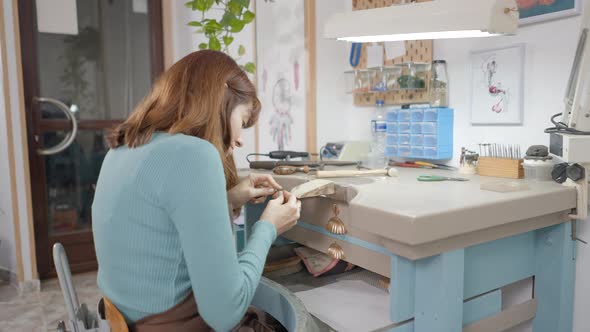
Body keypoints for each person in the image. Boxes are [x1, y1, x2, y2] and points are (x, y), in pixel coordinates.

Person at [92, 50, 301, 331]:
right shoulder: (194, 155)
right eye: (242, 120)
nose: (239, 140)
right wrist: (268, 228)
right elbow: (225, 313)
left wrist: (226, 199)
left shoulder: (125, 148)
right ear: (221, 98)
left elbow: (156, 224)